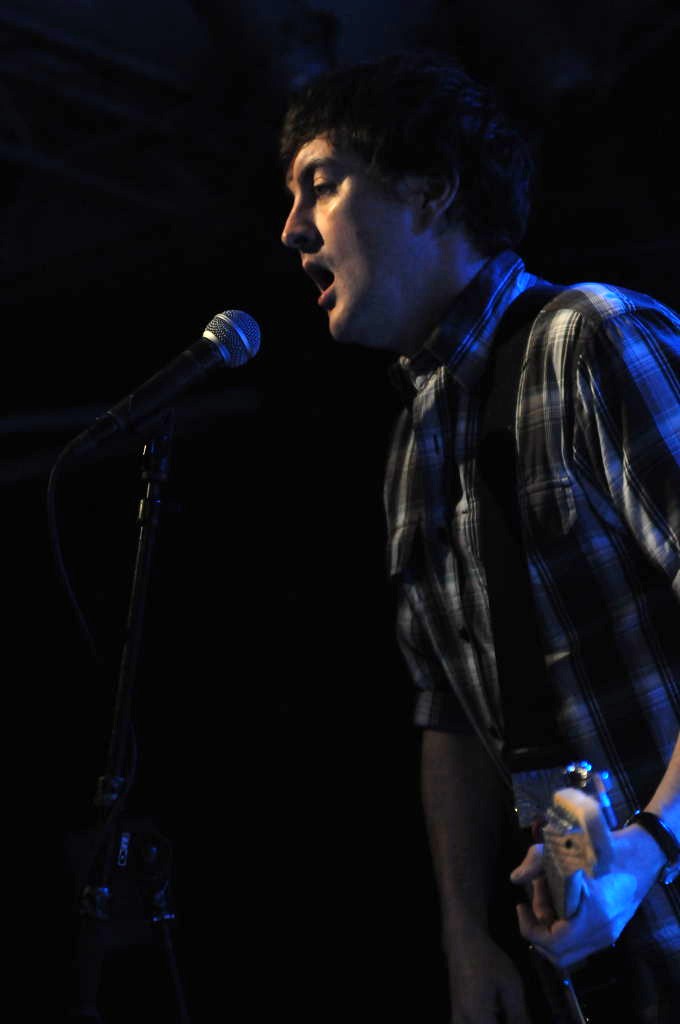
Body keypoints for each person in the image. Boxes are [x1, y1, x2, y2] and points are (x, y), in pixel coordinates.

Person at [279, 51, 680, 1022]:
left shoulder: (590, 336)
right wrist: (465, 933)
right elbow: (450, 716)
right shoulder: (414, 442)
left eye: (319, 185)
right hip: (609, 965)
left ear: (430, 187)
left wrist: (649, 843)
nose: (290, 230)